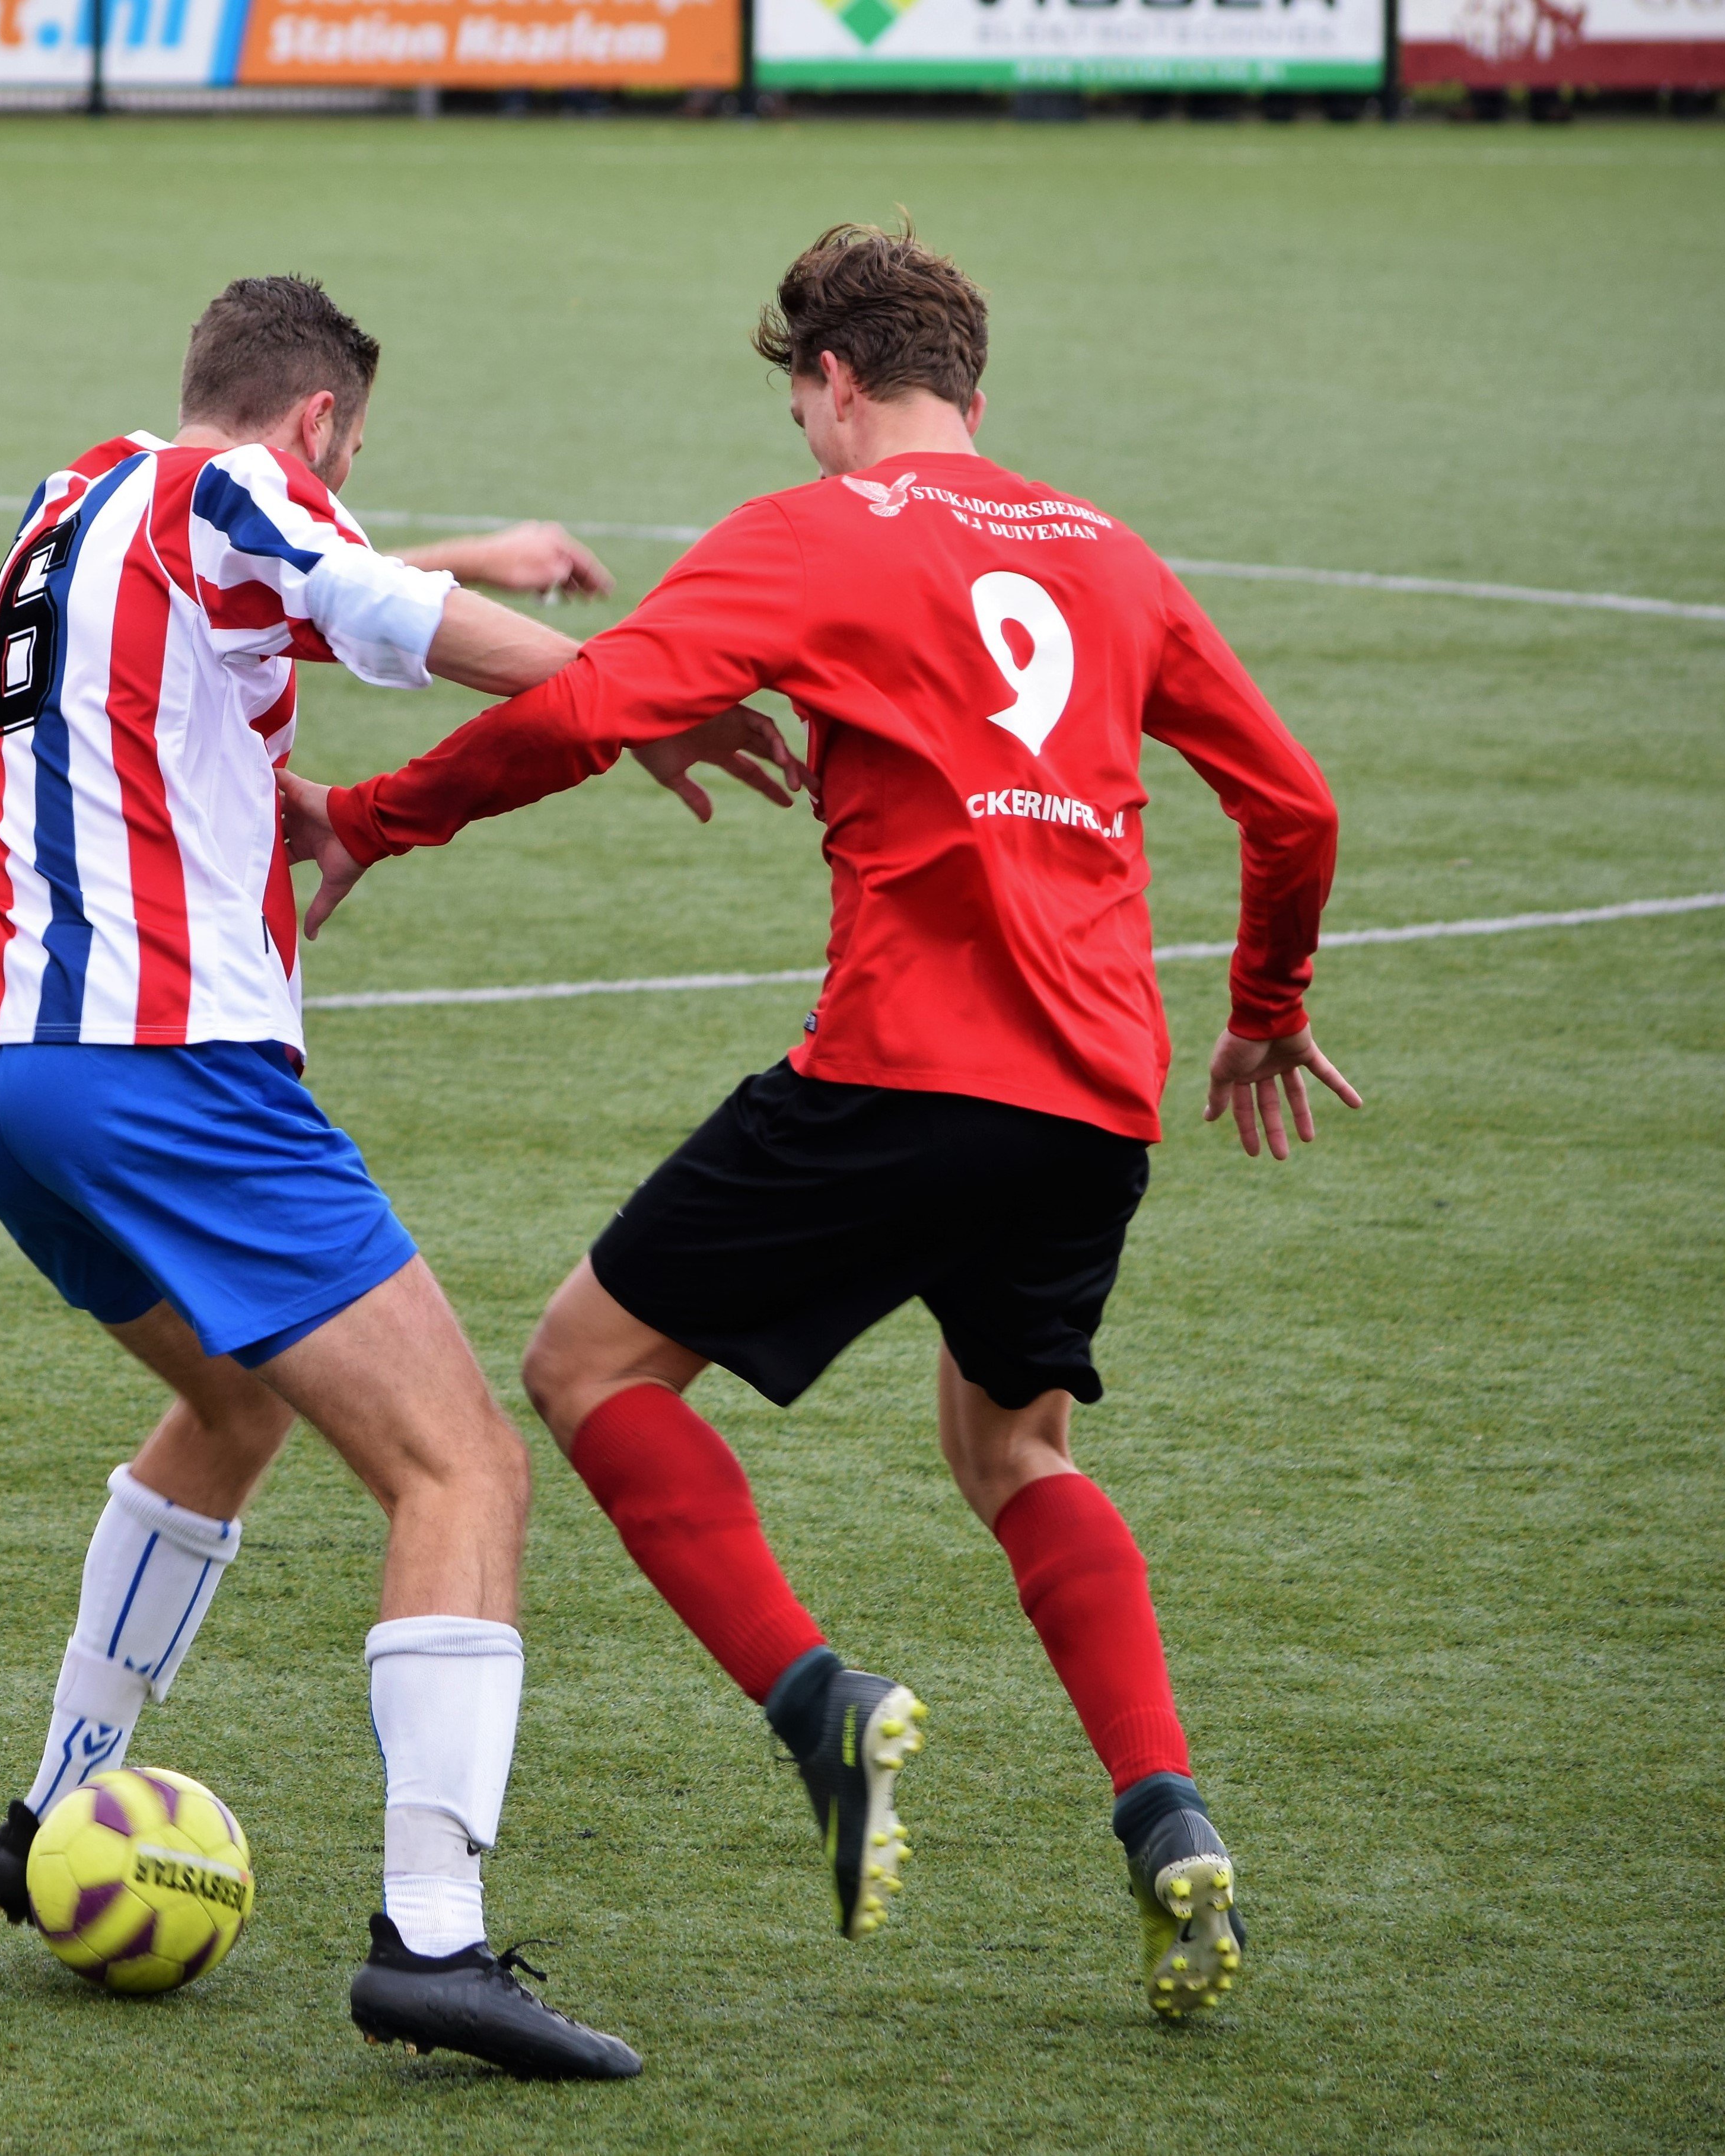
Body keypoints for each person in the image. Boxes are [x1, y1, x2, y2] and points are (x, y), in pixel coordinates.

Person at [282, 222, 1357, 2023]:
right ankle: (1166, 1811)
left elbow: (593, 700)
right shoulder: (1103, 551)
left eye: (800, 398)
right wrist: (1264, 1008)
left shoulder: (815, 533)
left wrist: (375, 817)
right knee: (1015, 1452)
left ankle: (817, 1700)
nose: (801, 432)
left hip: (898, 1071)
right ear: (974, 390)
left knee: (582, 1367)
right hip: (1090, 1103)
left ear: (832, 381)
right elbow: (1293, 804)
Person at [0, 275, 802, 2077]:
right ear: (316, 423)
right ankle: (434, 1937)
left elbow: (221, 650)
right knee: (461, 1457)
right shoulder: (241, 491)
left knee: (233, 1407)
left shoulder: (70, 502)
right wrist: (638, 692)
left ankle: (48, 1816)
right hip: (157, 1063)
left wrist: (316, 772)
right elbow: (364, 593)